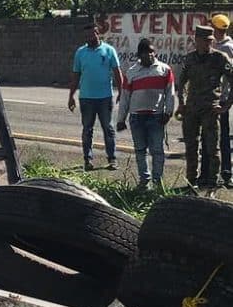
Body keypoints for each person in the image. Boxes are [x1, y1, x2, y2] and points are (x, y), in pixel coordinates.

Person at [177, 25, 233, 189]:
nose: (207, 44)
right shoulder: (190, 59)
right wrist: (181, 102)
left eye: (210, 40)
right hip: (192, 109)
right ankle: (191, 180)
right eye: (204, 40)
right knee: (191, 147)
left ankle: (212, 181)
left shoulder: (220, 58)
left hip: (210, 108)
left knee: (212, 147)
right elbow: (181, 82)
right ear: (197, 41)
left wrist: (226, 105)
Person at [117, 39, 175, 190]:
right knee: (140, 151)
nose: (149, 55)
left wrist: (168, 112)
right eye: (145, 52)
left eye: (151, 51)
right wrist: (120, 119)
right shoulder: (131, 72)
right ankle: (144, 181)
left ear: (154, 52)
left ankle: (157, 182)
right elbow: (125, 97)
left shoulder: (164, 70)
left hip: (156, 117)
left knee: (157, 150)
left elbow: (170, 93)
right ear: (139, 55)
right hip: (137, 117)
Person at [68, 23, 122, 172]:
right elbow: (76, 75)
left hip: (105, 97)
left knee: (108, 128)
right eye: (87, 36)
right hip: (86, 98)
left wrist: (122, 92)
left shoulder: (109, 51)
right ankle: (88, 160)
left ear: (98, 33)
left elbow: (117, 73)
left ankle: (112, 159)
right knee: (87, 129)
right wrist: (71, 96)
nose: (89, 38)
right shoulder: (80, 52)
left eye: (92, 34)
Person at [211, 14, 233, 186]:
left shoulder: (228, 48)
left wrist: (227, 104)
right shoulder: (212, 44)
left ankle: (225, 172)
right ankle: (213, 172)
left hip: (220, 99)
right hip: (211, 98)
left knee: (222, 138)